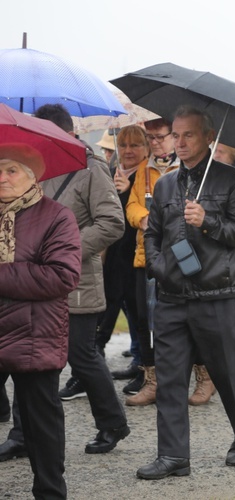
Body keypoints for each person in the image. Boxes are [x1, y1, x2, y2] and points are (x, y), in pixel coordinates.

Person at [0, 104, 130, 463]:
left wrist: (66, 247)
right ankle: (23, 435)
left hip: (75, 281)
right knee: (29, 357)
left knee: (81, 355)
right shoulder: (31, 170)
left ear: (63, 134)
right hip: (31, 288)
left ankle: (112, 422)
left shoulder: (90, 168)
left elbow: (112, 222)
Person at [137, 105, 235, 479]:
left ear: (209, 137)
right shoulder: (165, 184)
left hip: (217, 293)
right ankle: (174, 456)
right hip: (173, 295)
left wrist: (209, 222)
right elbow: (152, 233)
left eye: (188, 134)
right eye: (176, 134)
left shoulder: (231, 180)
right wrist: (159, 267)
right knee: (171, 377)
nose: (180, 141)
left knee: (226, 371)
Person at [0, 143, 81, 499]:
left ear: (33, 176)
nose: (2, 177)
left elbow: (62, 276)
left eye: (12, 170)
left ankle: (50, 491)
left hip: (35, 333)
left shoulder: (57, 216)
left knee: (40, 422)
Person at [123, 118, 181, 406]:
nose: (155, 143)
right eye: (151, 138)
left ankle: (199, 376)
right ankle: (151, 381)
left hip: (176, 256)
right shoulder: (144, 168)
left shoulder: (183, 169)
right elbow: (131, 204)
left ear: (174, 136)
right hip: (144, 255)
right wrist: (141, 218)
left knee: (178, 321)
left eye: (160, 137)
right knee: (144, 318)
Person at [97, 125, 144, 381]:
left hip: (137, 255)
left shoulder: (148, 175)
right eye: (123, 145)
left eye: (135, 145)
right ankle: (88, 373)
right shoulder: (111, 172)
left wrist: (127, 192)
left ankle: (143, 370)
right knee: (105, 314)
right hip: (114, 254)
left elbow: (144, 214)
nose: (127, 150)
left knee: (139, 316)